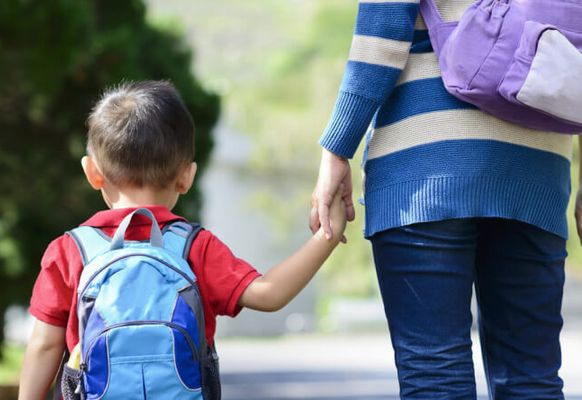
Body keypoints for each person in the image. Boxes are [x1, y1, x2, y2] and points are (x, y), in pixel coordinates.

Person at [310, 1, 576, 399]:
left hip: (426, 162)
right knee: (530, 377)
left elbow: (383, 30)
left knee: (434, 372)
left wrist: (337, 149)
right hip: (536, 169)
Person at [18, 80, 347, 400]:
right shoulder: (195, 247)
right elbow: (269, 294)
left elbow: (45, 345)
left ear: (92, 173)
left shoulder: (69, 251)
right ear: (186, 177)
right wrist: (325, 236)